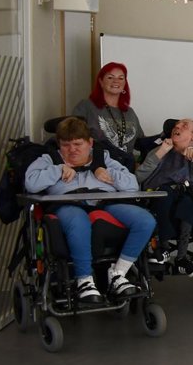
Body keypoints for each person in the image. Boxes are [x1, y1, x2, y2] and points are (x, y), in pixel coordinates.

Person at [23, 116, 155, 303]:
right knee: (78, 221)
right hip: (68, 203)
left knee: (146, 220)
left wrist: (106, 173)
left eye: (78, 144)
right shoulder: (50, 159)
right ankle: (84, 280)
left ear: (89, 143)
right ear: (59, 144)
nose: (72, 150)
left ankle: (118, 274)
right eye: (66, 145)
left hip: (104, 201)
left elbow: (132, 185)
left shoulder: (103, 157)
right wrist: (58, 170)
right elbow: (31, 183)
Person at [137, 118, 193, 276]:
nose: (178, 126)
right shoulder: (158, 151)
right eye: (176, 126)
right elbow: (139, 177)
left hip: (182, 196)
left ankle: (182, 258)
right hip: (156, 195)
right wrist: (160, 152)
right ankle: (163, 248)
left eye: (184, 126)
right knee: (166, 193)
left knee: (188, 203)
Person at [72, 62, 143, 163]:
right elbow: (72, 137)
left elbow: (140, 142)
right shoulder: (86, 106)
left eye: (121, 78)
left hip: (126, 169)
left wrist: (166, 135)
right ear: (101, 81)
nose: (116, 81)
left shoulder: (129, 112)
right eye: (110, 77)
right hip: (97, 166)